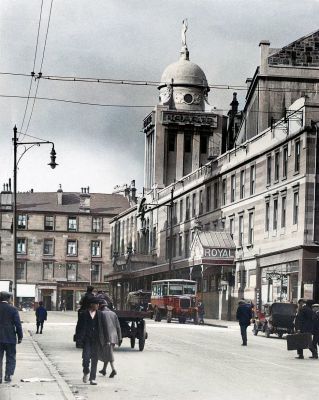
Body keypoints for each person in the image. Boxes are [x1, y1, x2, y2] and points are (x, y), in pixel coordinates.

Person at [76, 297, 109, 385]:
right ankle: (86, 371)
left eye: (98, 304)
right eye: (96, 304)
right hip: (87, 339)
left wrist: (106, 339)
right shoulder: (83, 314)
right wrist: (78, 339)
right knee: (86, 358)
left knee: (95, 359)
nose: (98, 306)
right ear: (91, 305)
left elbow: (104, 327)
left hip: (97, 340)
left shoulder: (100, 314)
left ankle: (92, 378)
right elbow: (78, 327)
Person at [0, 291, 23, 383]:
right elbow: (18, 324)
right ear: (8, 299)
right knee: (11, 357)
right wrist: (20, 336)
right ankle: (8, 375)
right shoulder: (13, 309)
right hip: (10, 337)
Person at [98, 299, 122, 378]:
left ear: (101, 306)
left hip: (106, 337)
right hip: (114, 337)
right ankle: (104, 370)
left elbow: (100, 327)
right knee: (108, 353)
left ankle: (113, 369)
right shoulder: (113, 313)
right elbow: (118, 327)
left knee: (109, 354)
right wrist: (120, 337)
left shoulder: (101, 314)